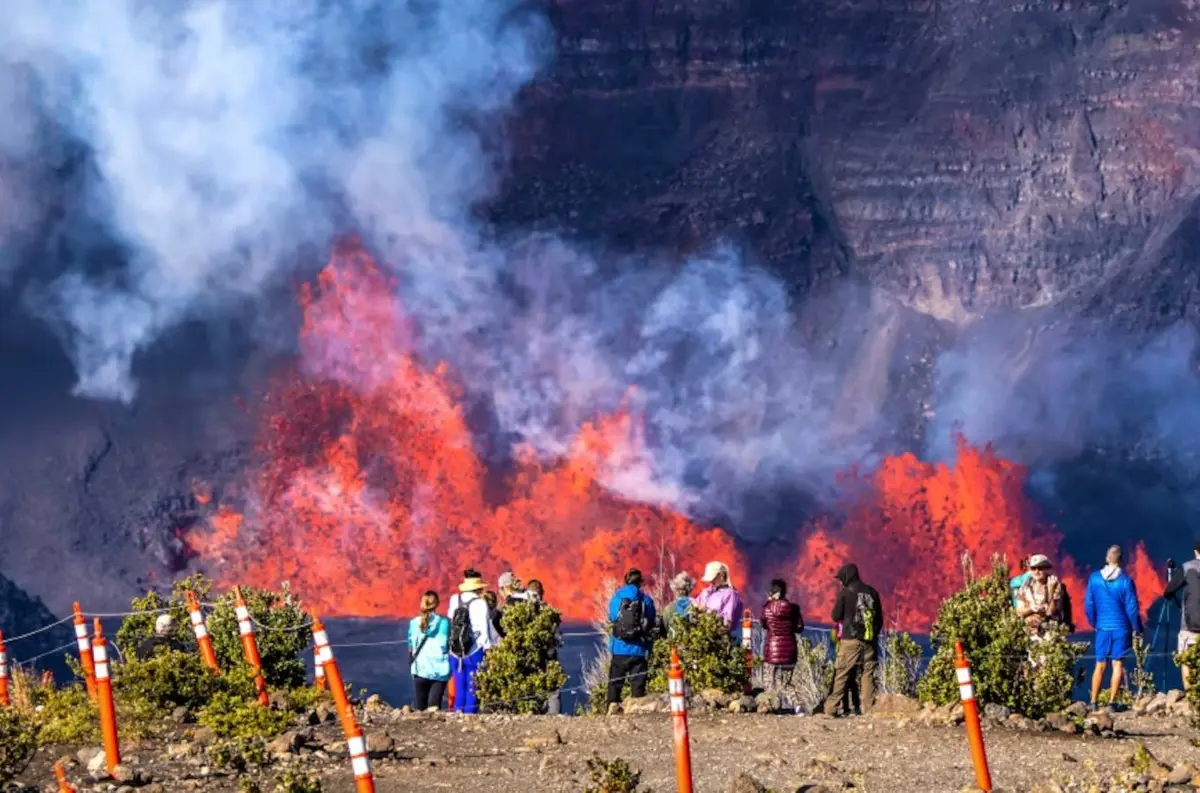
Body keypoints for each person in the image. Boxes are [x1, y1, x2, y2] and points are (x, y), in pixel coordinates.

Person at [1085, 545, 1142, 710]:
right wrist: (1136, 628)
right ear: (1121, 560)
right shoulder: (1125, 581)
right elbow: (1132, 608)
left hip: (1102, 627)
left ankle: (1093, 702)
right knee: (1117, 665)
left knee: (1099, 664)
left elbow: (1089, 604)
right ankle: (1111, 703)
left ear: (1106, 559)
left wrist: (1094, 622)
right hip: (1121, 628)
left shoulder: (1094, 579)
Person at [821, 563, 882, 715]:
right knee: (868, 674)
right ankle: (868, 709)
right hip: (870, 642)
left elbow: (835, 616)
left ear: (847, 577)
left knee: (842, 674)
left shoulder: (845, 593)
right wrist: (872, 635)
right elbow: (879, 619)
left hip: (850, 641)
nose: (840, 582)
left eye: (841, 579)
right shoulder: (872, 593)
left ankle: (831, 708)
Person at [447, 570, 498, 714]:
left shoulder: (454, 599)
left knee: (459, 687)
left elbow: (451, 618)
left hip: (455, 650)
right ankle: (469, 719)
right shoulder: (481, 604)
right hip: (474, 650)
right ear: (479, 588)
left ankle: (458, 716)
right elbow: (484, 630)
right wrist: (489, 650)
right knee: (472, 689)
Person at [607, 568, 657, 709]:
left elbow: (612, 617)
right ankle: (637, 713)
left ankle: (611, 712)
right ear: (640, 582)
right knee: (638, 687)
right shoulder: (646, 600)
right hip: (639, 649)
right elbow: (651, 621)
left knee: (615, 684)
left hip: (619, 647)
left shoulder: (617, 598)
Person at [1164, 540, 1200, 688]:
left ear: (1196, 551)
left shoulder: (1186, 567)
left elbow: (1169, 590)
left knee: (1185, 659)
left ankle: (1189, 693)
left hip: (1190, 624)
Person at [407, 591, 451, 711]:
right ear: (436, 604)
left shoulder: (413, 623)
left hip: (420, 669)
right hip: (439, 670)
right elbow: (445, 644)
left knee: (420, 709)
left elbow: (411, 646)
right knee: (434, 708)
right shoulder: (444, 623)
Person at [525, 579, 563, 714]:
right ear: (542, 593)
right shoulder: (549, 612)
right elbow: (558, 637)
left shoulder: (524, 613)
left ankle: (532, 713)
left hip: (530, 657)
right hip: (549, 655)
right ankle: (553, 716)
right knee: (552, 689)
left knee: (532, 688)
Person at [761, 579, 803, 687]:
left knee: (770, 685)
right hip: (789, 651)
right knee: (786, 685)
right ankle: (790, 703)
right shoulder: (794, 609)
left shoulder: (767, 608)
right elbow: (799, 627)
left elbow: (763, 624)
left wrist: (769, 602)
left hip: (772, 651)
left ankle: (773, 703)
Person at [1014, 554, 1064, 637]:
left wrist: (1050, 590)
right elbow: (1019, 612)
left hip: (1047, 632)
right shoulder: (1026, 584)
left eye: (1040, 568)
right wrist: (1031, 609)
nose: (1036, 571)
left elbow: (1051, 612)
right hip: (1027, 632)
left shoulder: (1054, 584)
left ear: (1046, 569)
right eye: (1033, 568)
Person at [692, 561, 745, 635]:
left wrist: (706, 611)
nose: (711, 581)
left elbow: (727, 624)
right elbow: (695, 604)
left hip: (721, 640)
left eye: (713, 578)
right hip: (702, 635)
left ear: (722, 575)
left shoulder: (730, 595)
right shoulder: (706, 592)